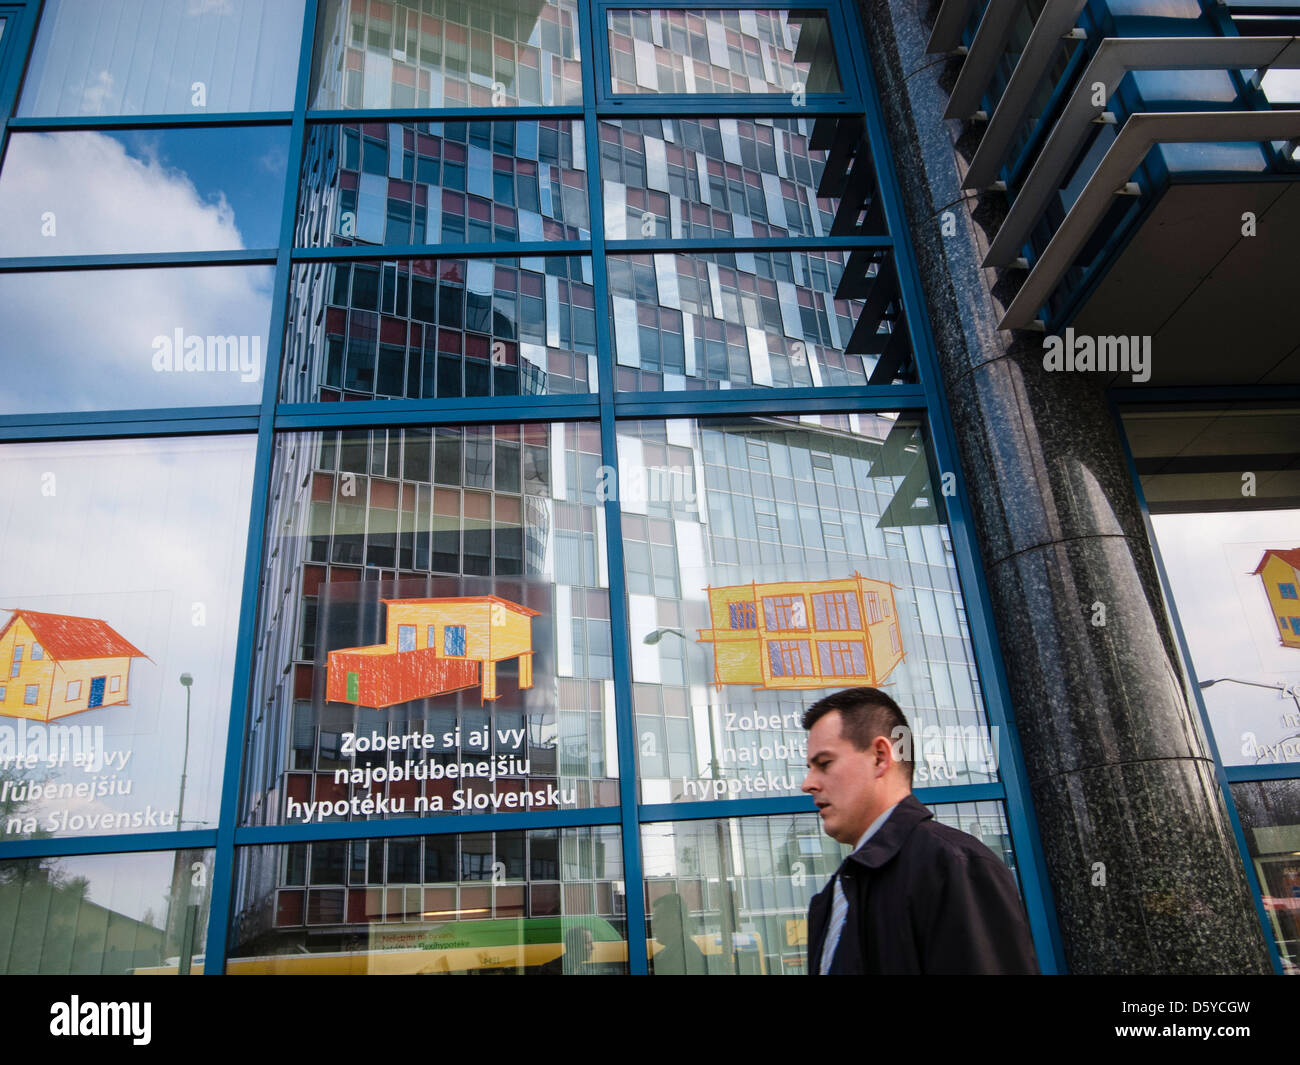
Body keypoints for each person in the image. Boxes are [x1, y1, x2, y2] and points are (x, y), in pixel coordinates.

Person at [801, 687, 1039, 974]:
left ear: (880, 756)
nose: (808, 783)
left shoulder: (952, 866)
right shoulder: (837, 892)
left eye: (824, 764)